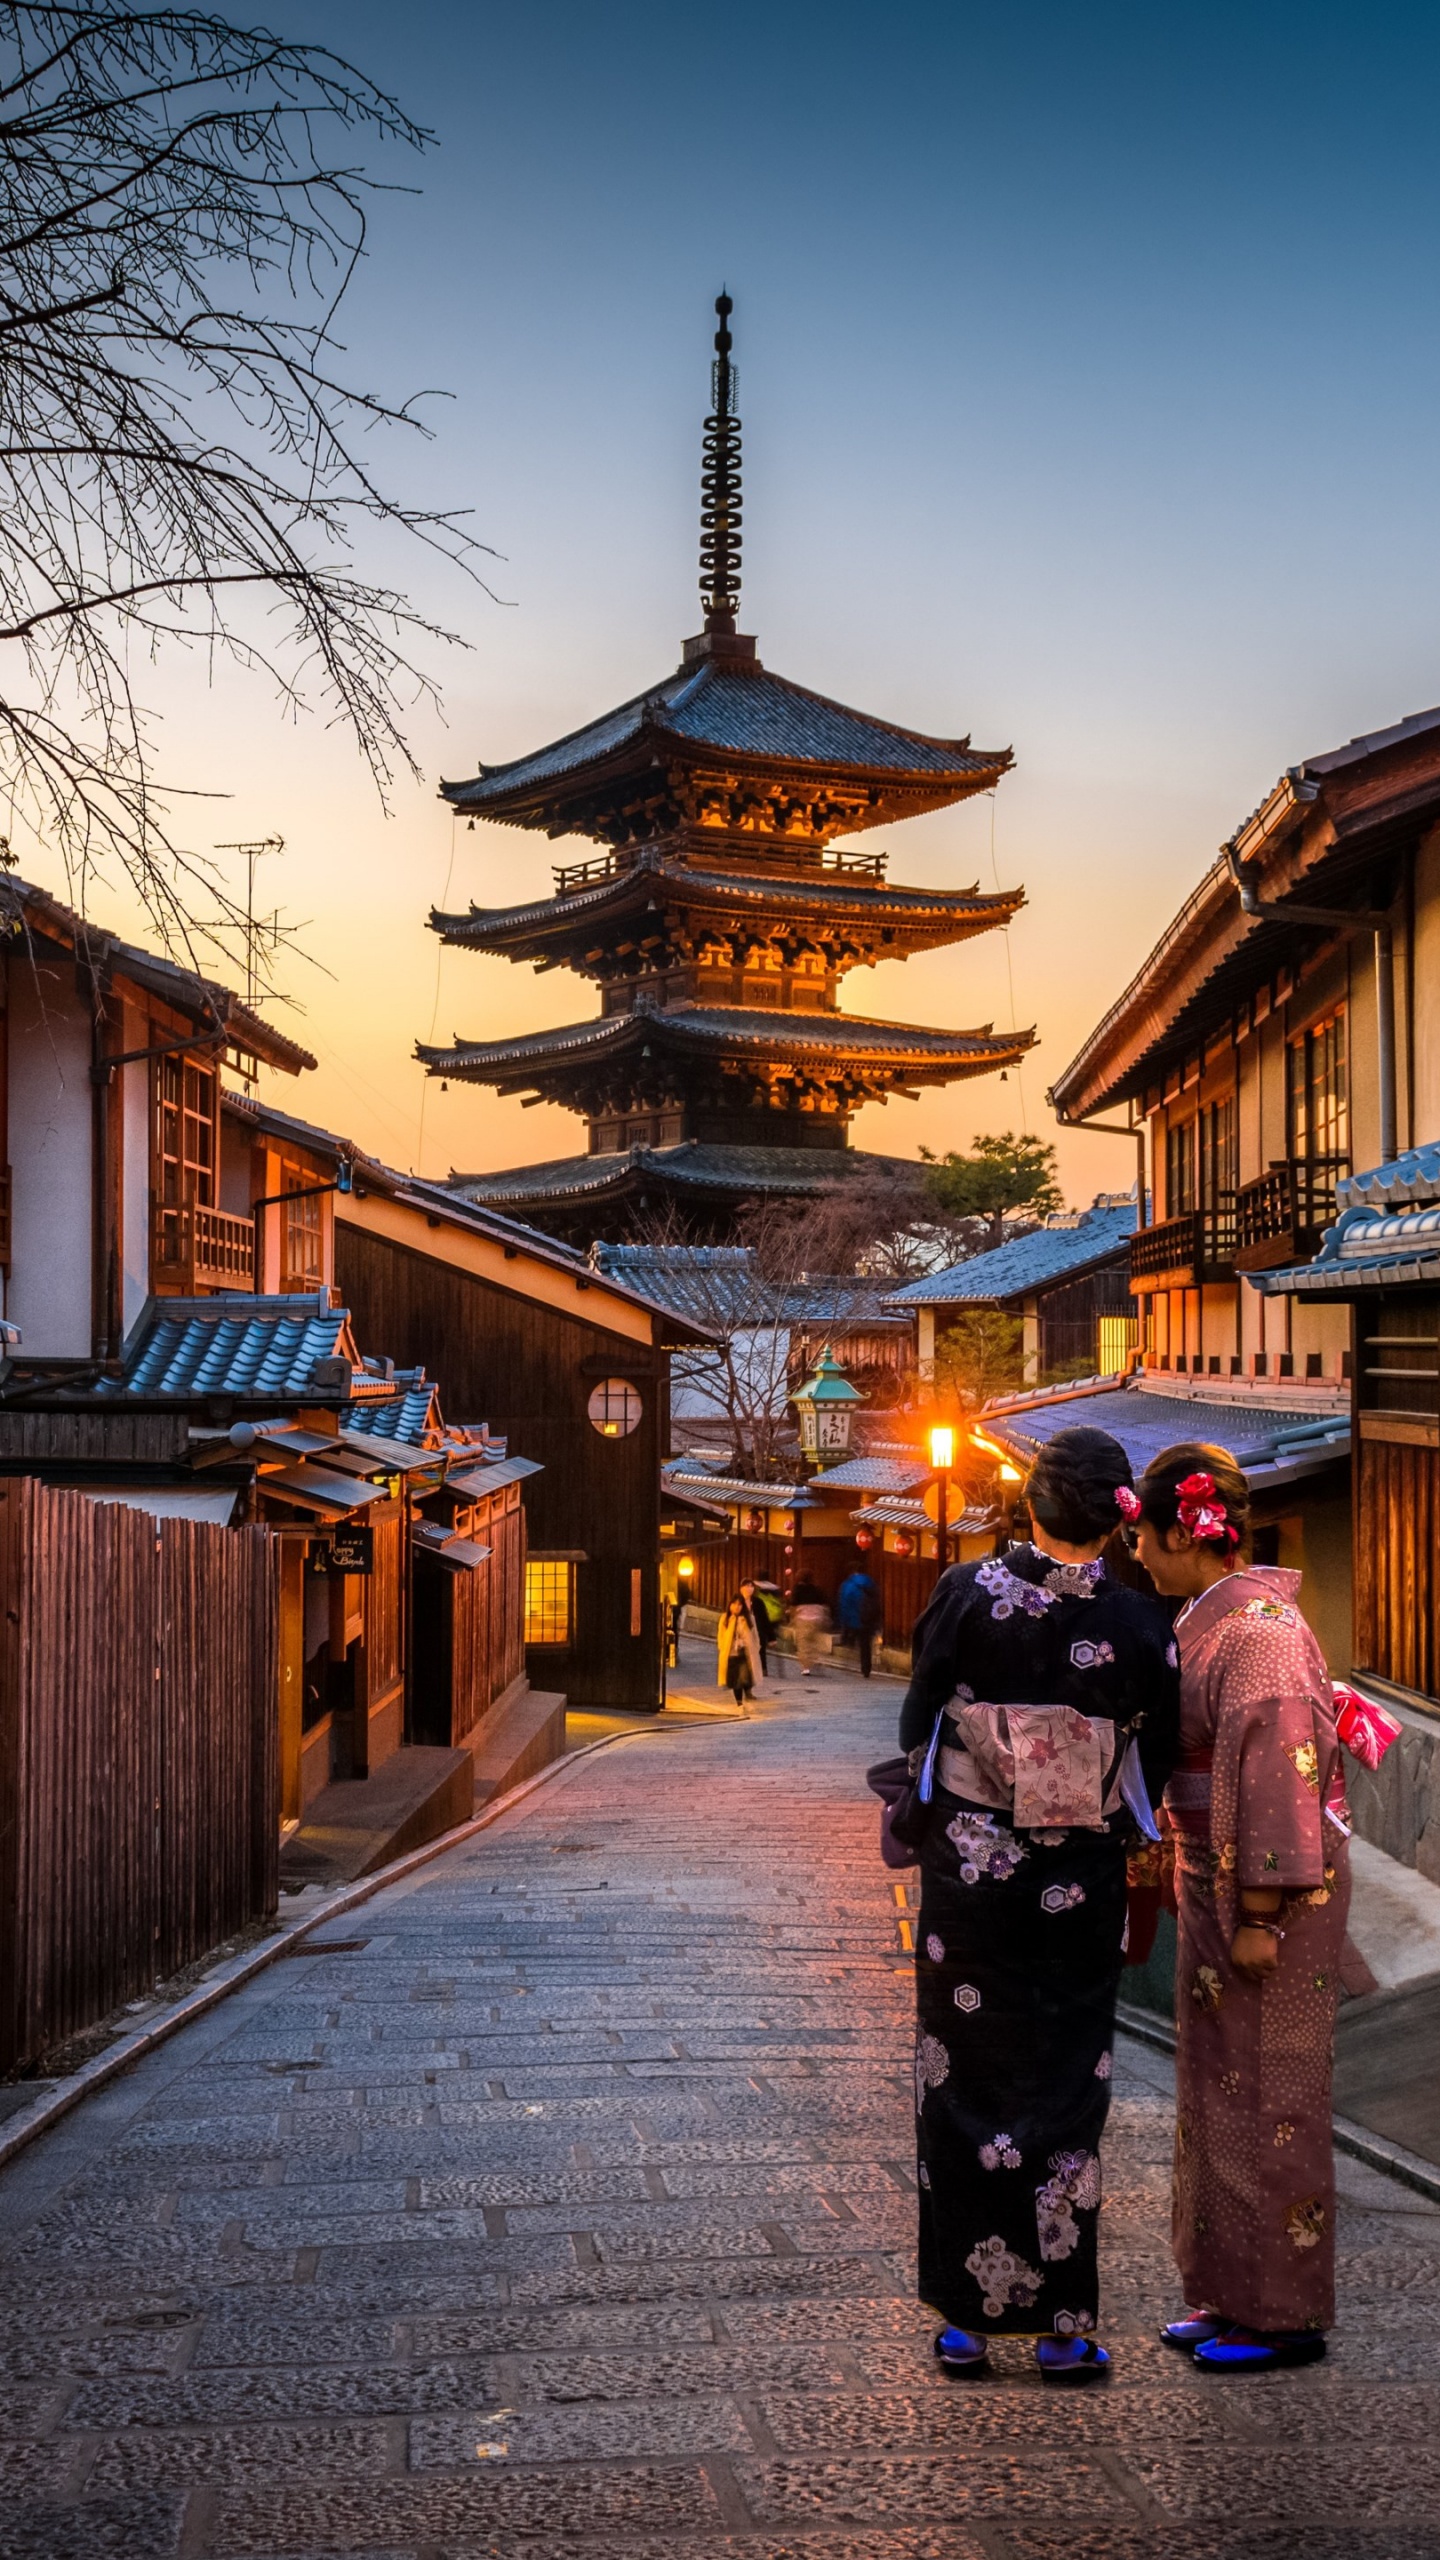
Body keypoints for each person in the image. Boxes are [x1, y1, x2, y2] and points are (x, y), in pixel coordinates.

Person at [900, 1427, 1179, 2383]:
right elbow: (1160, 1749)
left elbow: (921, 1714)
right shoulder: (1141, 1623)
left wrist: (984, 1765)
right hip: (1079, 1883)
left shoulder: (963, 1592)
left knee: (962, 2073)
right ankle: (1064, 2325)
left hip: (973, 1876)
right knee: (1066, 2084)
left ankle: (967, 2323)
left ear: (1031, 1503)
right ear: (1117, 1516)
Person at [1129, 1443, 1351, 2376]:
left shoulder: (1256, 1633)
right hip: (1217, 1877)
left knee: (1274, 2094)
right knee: (1219, 2087)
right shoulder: (1217, 1621)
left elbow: (1278, 1771)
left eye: (1145, 1536)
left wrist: (1261, 1909)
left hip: (1267, 1896)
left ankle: (1283, 2312)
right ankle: (1224, 2288)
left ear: (1188, 1528)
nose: (1137, 1554)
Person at [837, 1563, 883, 1677]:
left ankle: (848, 1662)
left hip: (854, 1619)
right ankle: (866, 1668)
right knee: (866, 1644)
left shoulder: (848, 1585)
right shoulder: (871, 1583)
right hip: (869, 1619)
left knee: (853, 1641)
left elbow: (844, 1604)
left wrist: (843, 1621)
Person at [717, 1590, 761, 1705]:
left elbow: (755, 1635)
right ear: (730, 1604)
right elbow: (720, 1636)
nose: (737, 1607)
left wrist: (755, 1647)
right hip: (731, 1653)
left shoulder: (748, 1618)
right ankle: (739, 1702)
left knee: (745, 1677)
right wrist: (722, 1647)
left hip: (744, 1653)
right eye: (734, 1604)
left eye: (740, 1604)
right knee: (735, 1680)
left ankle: (747, 1693)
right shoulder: (725, 1618)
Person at [788, 1574, 830, 1676]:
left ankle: (806, 1667)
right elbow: (825, 1602)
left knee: (803, 1643)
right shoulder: (817, 1589)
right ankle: (816, 1659)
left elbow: (793, 1604)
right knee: (815, 1641)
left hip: (803, 1618)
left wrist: (791, 1618)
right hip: (817, 1618)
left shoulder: (798, 1589)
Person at [740, 1576, 779, 1676]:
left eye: (751, 1586)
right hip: (741, 1631)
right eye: (747, 1586)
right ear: (741, 1588)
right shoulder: (737, 1601)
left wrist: (772, 1637)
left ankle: (762, 1669)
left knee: (760, 1650)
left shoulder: (758, 1602)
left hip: (757, 1630)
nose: (749, 1588)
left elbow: (765, 1619)